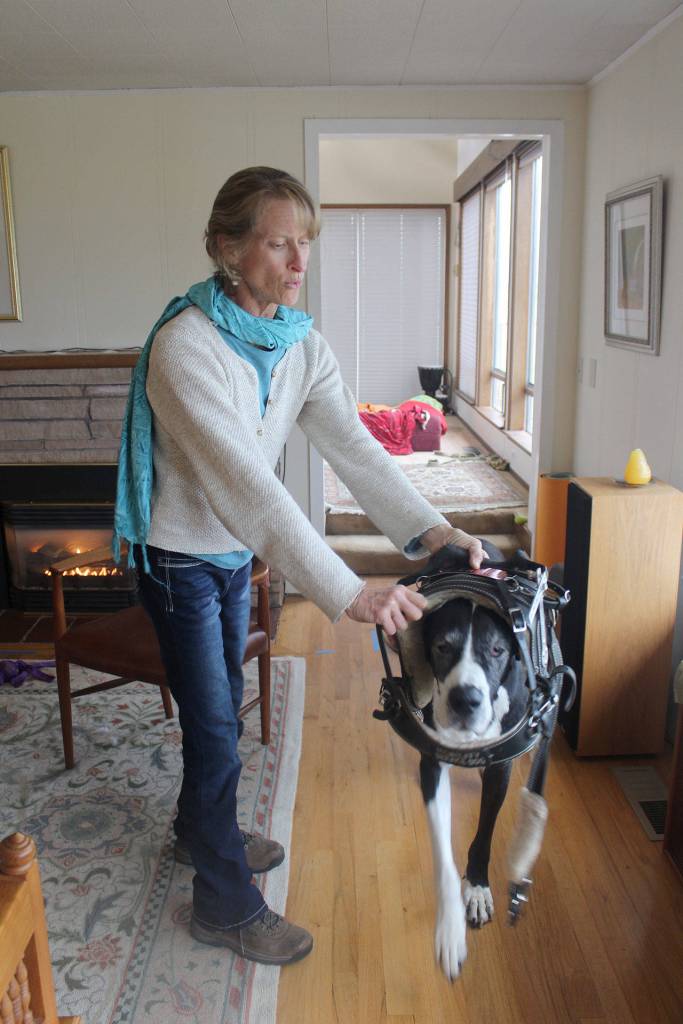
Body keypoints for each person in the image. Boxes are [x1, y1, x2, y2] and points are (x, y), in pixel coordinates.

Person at [113, 166, 484, 968]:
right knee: (214, 724)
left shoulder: (297, 342)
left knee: (220, 708)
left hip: (229, 554)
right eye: (279, 243)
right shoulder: (184, 349)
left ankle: (197, 831)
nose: (298, 261)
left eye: (304, 242)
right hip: (179, 559)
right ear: (226, 248)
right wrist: (348, 591)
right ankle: (222, 904)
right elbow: (249, 487)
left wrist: (431, 532)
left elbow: (354, 448)